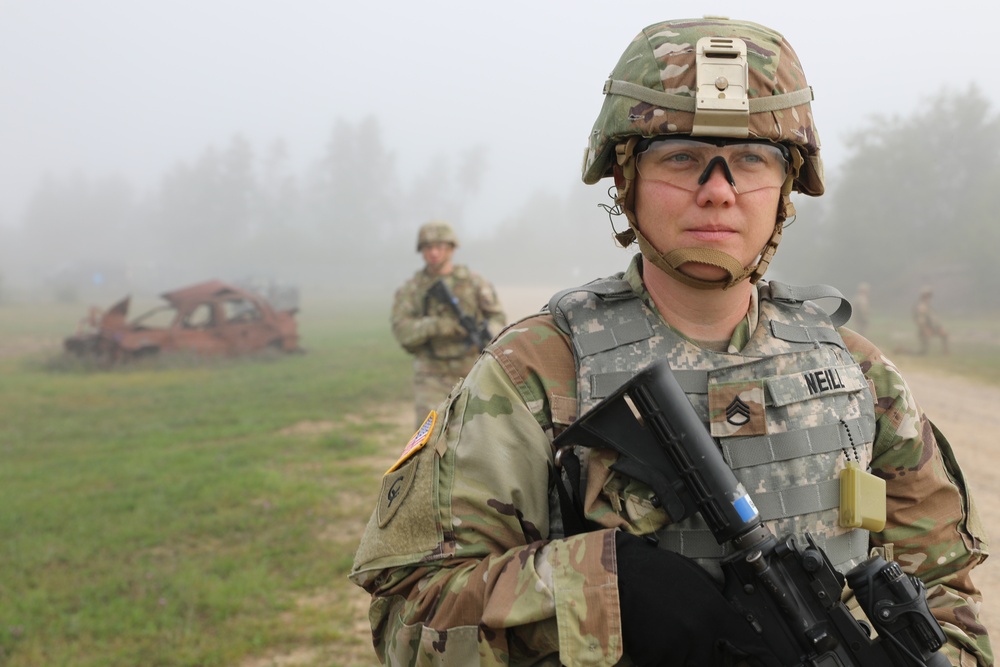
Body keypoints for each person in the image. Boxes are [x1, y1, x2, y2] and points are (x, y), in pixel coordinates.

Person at [353, 17, 991, 667]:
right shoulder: (534, 374)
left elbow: (948, 596)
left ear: (786, 188)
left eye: (750, 159)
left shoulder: (859, 372)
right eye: (682, 157)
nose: (717, 190)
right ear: (625, 177)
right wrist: (603, 591)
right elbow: (408, 619)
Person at [390, 220, 507, 427]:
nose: (434, 253)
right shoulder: (412, 289)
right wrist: (436, 326)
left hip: (472, 371)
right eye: (428, 247)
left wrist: (485, 331)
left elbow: (498, 318)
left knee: (477, 434)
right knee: (428, 437)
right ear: (421, 251)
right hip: (431, 374)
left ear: (451, 248)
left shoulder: (474, 283)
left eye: (440, 246)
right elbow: (402, 331)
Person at [914, 285, 950, 355]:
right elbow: (921, 320)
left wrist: (939, 328)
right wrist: (925, 329)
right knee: (922, 352)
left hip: (932, 328)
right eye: (926, 296)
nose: (928, 298)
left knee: (945, 334)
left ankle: (946, 352)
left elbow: (934, 320)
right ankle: (903, 350)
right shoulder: (921, 306)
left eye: (929, 296)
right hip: (924, 330)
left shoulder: (928, 307)